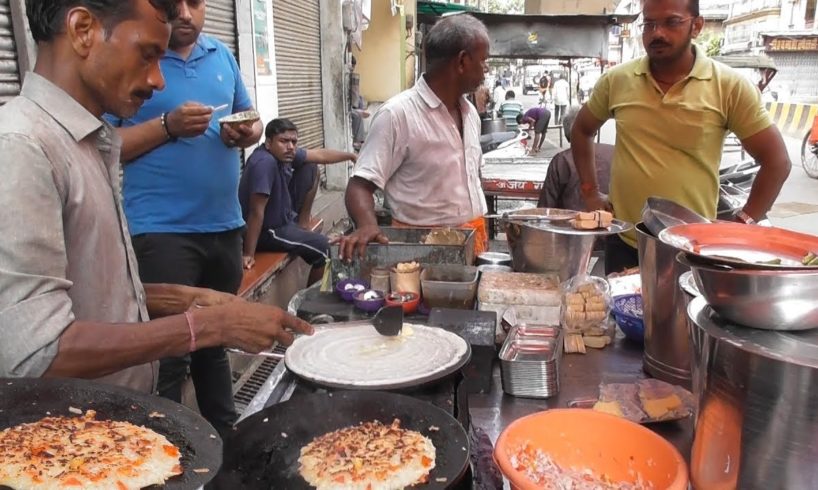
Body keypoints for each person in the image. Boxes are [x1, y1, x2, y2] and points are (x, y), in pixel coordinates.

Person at [0, 0, 311, 423]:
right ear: (82, 29)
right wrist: (207, 328)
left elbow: (88, 295)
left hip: (112, 431)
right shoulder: (23, 148)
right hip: (70, 450)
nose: (158, 80)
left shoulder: (89, 143)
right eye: (148, 55)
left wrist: (185, 299)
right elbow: (37, 353)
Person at [107, 0, 265, 435]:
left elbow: (252, 121)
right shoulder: (138, 60)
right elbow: (104, 145)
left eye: (194, 3)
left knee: (215, 340)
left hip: (224, 224)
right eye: (173, 4)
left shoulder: (221, 55)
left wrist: (243, 132)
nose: (185, 14)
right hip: (162, 232)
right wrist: (168, 126)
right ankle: (168, 447)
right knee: (170, 352)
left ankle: (226, 439)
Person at [571, 0, 791, 274]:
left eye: (671, 22)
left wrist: (744, 221)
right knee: (621, 316)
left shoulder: (729, 87)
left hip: (692, 250)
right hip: (626, 242)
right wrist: (590, 192)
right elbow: (581, 130)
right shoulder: (617, 81)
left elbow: (777, 161)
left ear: (696, 26)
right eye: (649, 24)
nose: (657, 33)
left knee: (685, 317)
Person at [339, 14, 490, 260]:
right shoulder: (397, 115)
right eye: (483, 61)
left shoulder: (470, 112)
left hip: (474, 242)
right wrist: (367, 224)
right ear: (462, 62)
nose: (486, 70)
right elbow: (359, 186)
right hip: (422, 251)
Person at [239, 119, 356, 284]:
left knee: (310, 166)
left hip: (281, 216)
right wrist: (248, 254)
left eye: (293, 142)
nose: (290, 146)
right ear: (268, 143)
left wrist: (351, 156)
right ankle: (312, 301)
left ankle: (302, 224)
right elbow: (256, 211)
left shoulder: (283, 153)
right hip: (268, 230)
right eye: (284, 141)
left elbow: (321, 155)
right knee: (325, 249)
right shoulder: (264, 163)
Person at [539, 106, 613, 211]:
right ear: (595, 132)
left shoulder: (561, 161)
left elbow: (545, 209)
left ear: (566, 136)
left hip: (571, 224)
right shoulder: (614, 153)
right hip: (616, 223)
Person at [349, 55, 370, 150]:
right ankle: (357, 141)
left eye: (354, 66)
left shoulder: (350, 76)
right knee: (358, 115)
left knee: (361, 101)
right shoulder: (345, 76)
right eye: (351, 66)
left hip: (352, 105)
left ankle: (360, 140)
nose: (352, 69)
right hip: (347, 108)